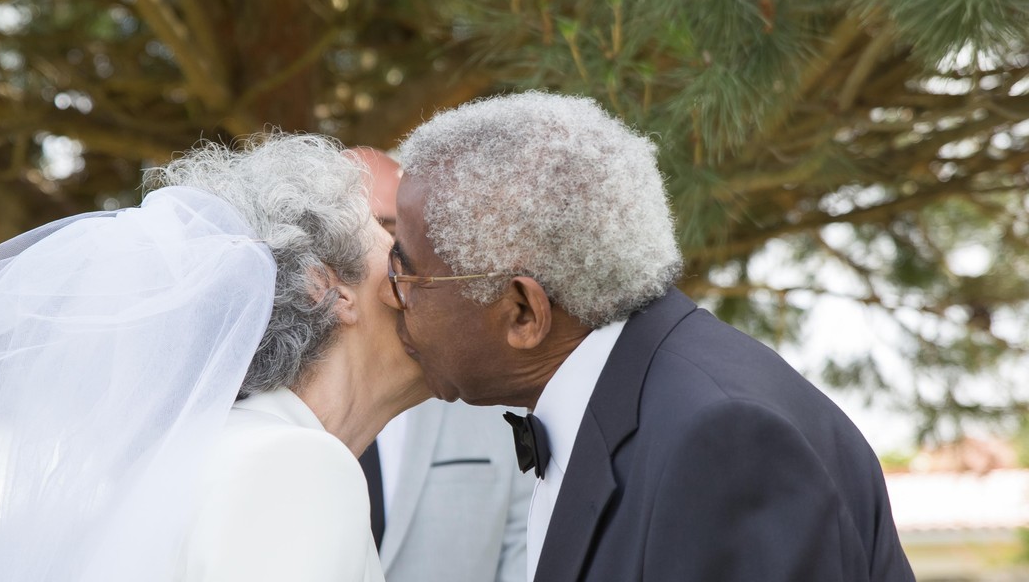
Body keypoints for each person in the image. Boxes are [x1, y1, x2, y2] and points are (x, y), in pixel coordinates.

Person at [386, 92, 916, 581]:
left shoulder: (721, 440)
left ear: (524, 312)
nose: (391, 295)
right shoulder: (648, 399)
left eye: (404, 271)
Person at [0, 134, 428, 582]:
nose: (418, 275)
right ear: (322, 287)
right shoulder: (295, 463)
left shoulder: (204, 452)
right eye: (393, 251)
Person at [347, 147, 533, 582]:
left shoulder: (484, 383)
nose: (373, 262)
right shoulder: (261, 409)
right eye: (350, 237)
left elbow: (525, 544)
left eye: (388, 232)